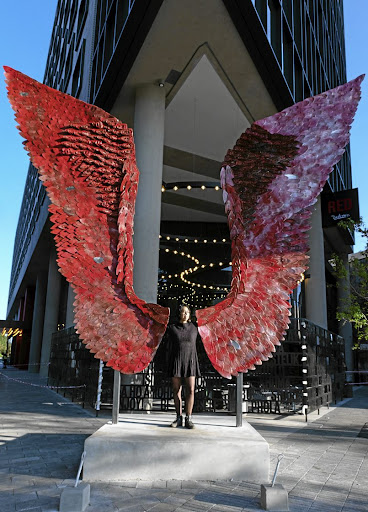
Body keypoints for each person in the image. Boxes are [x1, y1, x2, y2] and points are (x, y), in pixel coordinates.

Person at [166, 304, 201, 429]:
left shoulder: (195, 327)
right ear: (179, 313)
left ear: (190, 314)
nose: (185, 314)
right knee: (176, 390)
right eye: (182, 312)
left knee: (191, 389)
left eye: (187, 312)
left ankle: (189, 418)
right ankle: (178, 417)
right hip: (176, 361)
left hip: (190, 361)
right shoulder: (172, 328)